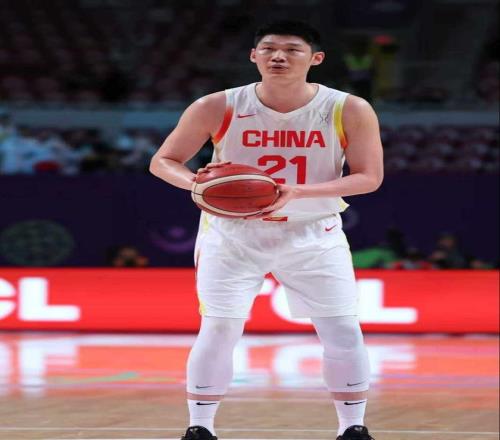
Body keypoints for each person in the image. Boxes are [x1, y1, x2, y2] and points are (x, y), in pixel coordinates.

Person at [150, 20, 383, 440]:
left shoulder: (348, 108)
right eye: (269, 48)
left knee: (343, 329)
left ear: (316, 58)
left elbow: (369, 177)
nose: (278, 56)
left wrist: (299, 192)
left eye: (292, 49)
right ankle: (199, 428)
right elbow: (163, 161)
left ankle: (353, 428)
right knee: (219, 328)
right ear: (253, 56)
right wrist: (197, 185)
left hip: (313, 231)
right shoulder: (216, 105)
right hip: (232, 233)